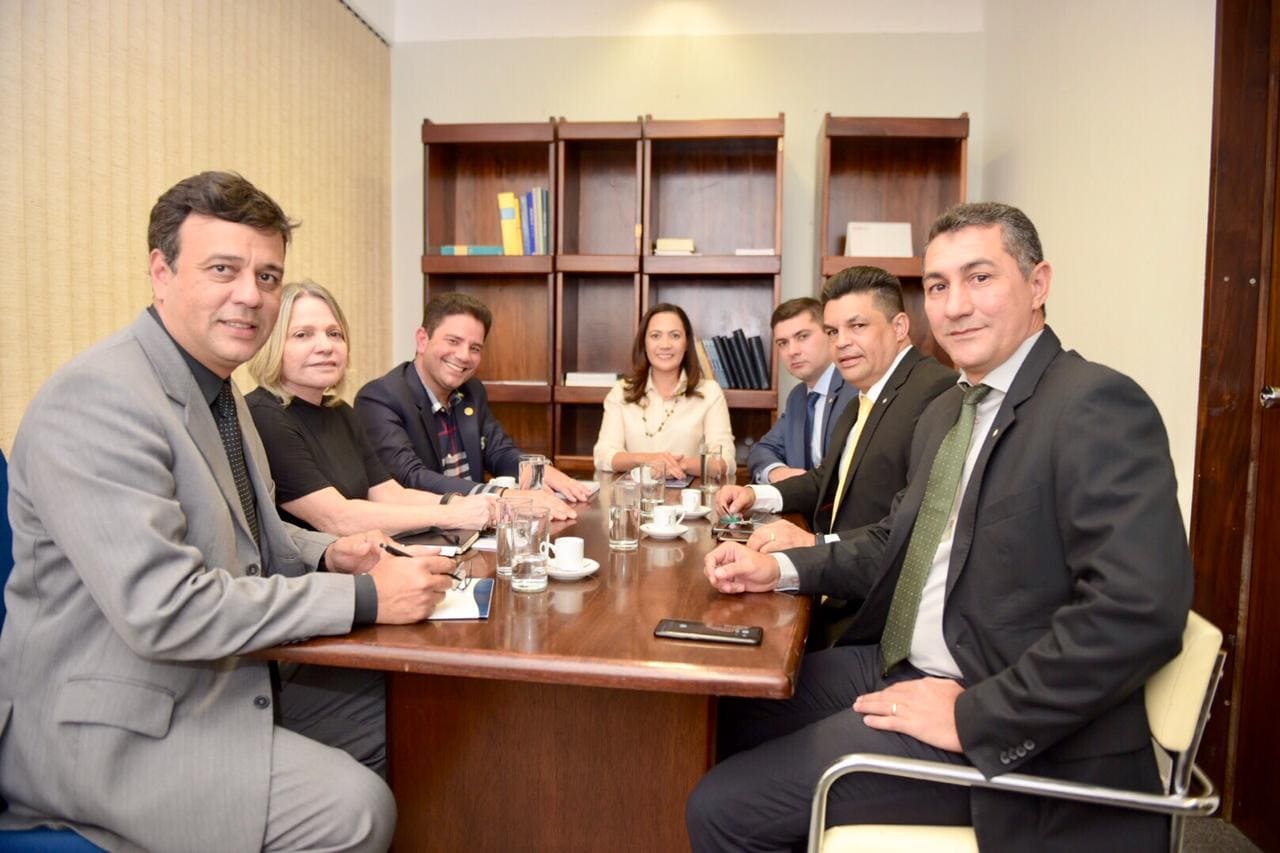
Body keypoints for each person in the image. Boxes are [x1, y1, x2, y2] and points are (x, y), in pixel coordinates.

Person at [688, 203, 1193, 852]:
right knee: (718, 715)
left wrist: (975, 714)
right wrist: (778, 568)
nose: (955, 306)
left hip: (1002, 722)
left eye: (980, 278)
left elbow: (1137, 610)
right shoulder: (949, 409)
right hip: (903, 664)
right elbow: (891, 541)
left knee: (721, 808)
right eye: (937, 286)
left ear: (1038, 284)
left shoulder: (1093, 404)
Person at [0, 172, 455, 852]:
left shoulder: (220, 394)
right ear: (161, 272)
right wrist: (364, 597)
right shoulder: (98, 399)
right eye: (223, 269)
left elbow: (256, 542)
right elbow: (166, 608)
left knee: (421, 715)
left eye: (268, 276)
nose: (251, 295)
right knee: (354, 809)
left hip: (219, 680)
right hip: (112, 730)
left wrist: (331, 554)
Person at [717, 268, 955, 646]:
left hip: (872, 616)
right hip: (837, 584)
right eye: (832, 331)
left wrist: (812, 544)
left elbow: (906, 536)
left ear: (899, 327)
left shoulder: (934, 391)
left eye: (857, 326)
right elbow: (827, 478)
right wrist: (756, 495)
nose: (841, 343)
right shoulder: (866, 393)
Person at [247, 280, 494, 535]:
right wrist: (450, 515)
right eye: (303, 335)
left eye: (334, 334)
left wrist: (460, 503)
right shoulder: (264, 415)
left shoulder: (340, 412)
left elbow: (388, 493)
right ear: (271, 343)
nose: (326, 346)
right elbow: (337, 518)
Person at [355, 292, 588, 520]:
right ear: (422, 340)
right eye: (453, 341)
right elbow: (411, 477)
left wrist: (539, 470)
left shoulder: (471, 391)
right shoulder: (379, 398)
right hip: (421, 533)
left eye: (475, 348)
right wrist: (504, 496)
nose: (464, 356)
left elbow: (499, 451)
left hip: (474, 527)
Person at [591, 303, 736, 478]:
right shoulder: (621, 391)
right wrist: (647, 460)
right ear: (644, 343)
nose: (665, 345)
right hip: (635, 493)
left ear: (687, 343)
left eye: (675, 335)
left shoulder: (710, 392)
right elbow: (603, 455)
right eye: (655, 336)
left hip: (690, 493)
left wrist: (677, 465)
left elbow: (725, 461)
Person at [747, 298, 855, 484]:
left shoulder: (855, 390)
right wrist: (778, 472)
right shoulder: (798, 397)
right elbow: (762, 450)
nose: (792, 351)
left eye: (802, 337)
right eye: (783, 343)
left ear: (830, 334)